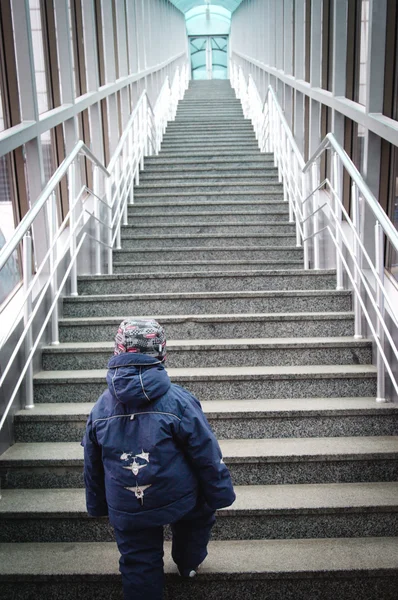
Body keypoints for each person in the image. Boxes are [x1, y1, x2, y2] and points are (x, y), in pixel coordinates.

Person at [82, 318, 236, 600]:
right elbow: (205, 452)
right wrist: (219, 492)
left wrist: (98, 503)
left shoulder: (99, 408)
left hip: (127, 500)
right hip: (177, 495)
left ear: (116, 352)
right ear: (162, 354)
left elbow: (92, 463)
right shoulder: (179, 400)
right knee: (198, 514)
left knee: (138, 559)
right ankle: (188, 561)